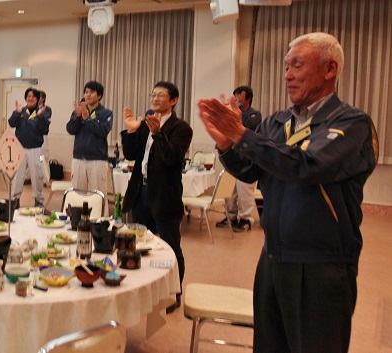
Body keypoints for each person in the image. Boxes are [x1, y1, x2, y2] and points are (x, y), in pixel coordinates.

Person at [198, 32, 378, 353]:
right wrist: (227, 143)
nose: (287, 75)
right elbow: (251, 171)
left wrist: (242, 134)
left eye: (297, 65)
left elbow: (309, 165)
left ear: (330, 68)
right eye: (285, 67)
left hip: (321, 268)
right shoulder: (277, 123)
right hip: (272, 261)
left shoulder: (351, 123)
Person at [121, 81, 193, 313]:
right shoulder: (145, 123)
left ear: (173, 100)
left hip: (164, 195)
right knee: (139, 243)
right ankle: (143, 289)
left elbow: (172, 158)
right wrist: (132, 129)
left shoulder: (182, 128)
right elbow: (131, 155)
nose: (155, 98)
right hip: (140, 191)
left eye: (161, 95)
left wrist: (158, 134)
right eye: (153, 94)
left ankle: (174, 293)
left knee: (171, 246)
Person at [215, 86, 262, 232]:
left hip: (247, 158)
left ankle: (246, 219)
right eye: (234, 94)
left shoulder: (255, 114)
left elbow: (246, 125)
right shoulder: (234, 112)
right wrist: (225, 110)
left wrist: (235, 109)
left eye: (238, 94)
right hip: (232, 156)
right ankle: (231, 216)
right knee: (229, 189)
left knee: (244, 191)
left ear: (247, 96)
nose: (235, 97)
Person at [66, 81, 113, 214]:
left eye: (91, 92)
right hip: (78, 158)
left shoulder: (106, 113)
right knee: (77, 193)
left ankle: (100, 222)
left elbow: (103, 130)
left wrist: (87, 119)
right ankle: (77, 221)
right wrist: (78, 116)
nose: (88, 94)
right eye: (86, 92)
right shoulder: (79, 111)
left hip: (97, 160)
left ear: (99, 95)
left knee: (97, 194)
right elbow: (70, 129)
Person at [8, 88, 49, 208]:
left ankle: (39, 199)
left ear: (37, 99)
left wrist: (40, 117)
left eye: (33, 97)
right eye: (28, 96)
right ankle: (15, 199)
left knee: (37, 175)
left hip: (36, 149)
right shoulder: (21, 110)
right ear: (26, 98)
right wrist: (17, 113)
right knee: (17, 176)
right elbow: (11, 123)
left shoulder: (42, 112)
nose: (30, 98)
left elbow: (45, 130)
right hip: (20, 148)